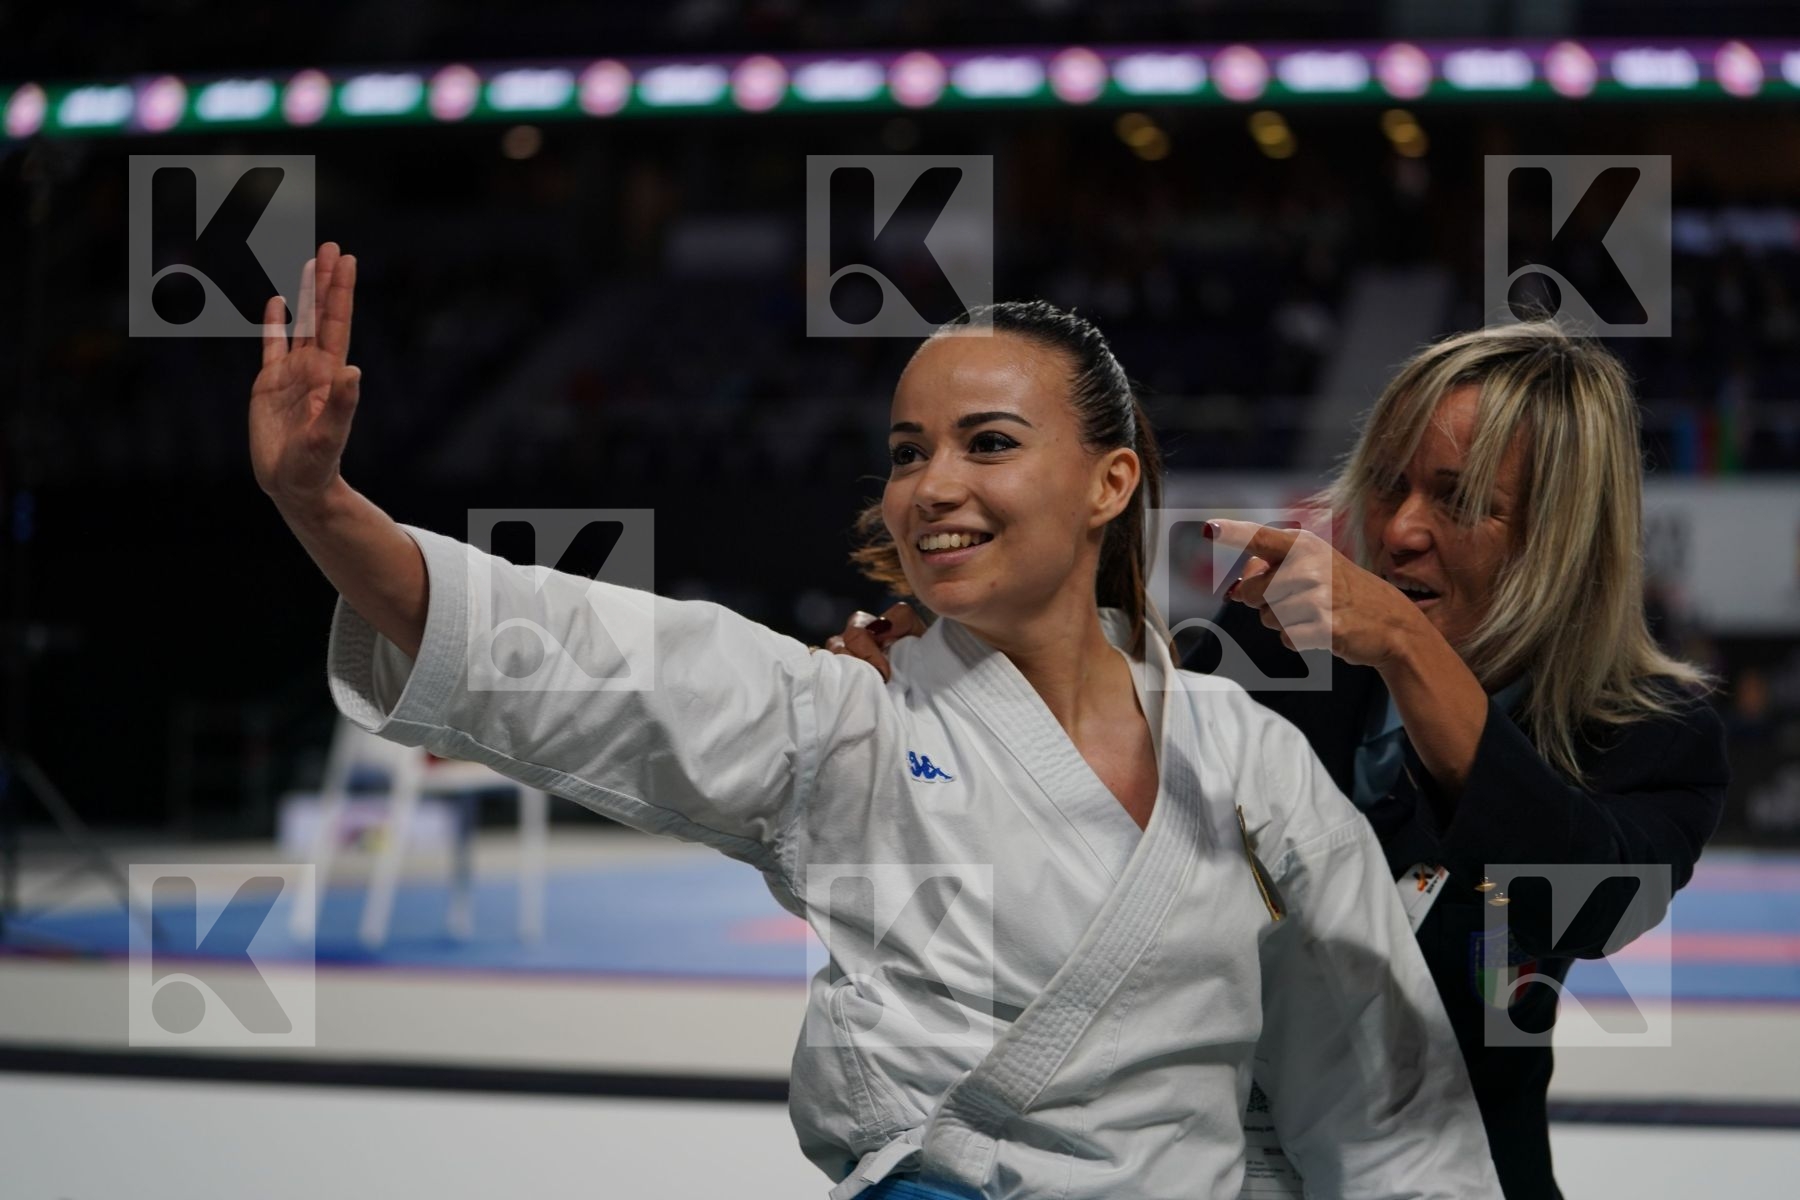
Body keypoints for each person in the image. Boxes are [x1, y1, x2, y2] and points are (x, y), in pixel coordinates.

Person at [252, 242, 1502, 1199]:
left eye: (989, 443)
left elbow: (1381, 1096)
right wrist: (325, 508)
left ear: (1109, 481)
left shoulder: (1247, 756)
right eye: (908, 453)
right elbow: (587, 659)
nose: (933, 487)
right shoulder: (844, 720)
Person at [832, 321, 1729, 1200]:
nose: (1402, 529)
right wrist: (952, 656)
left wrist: (1407, 650)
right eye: (1386, 485)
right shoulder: (1275, 655)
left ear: (1565, 533)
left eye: (1457, 501)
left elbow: (1575, 901)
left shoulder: (1655, 731)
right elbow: (1092, 754)